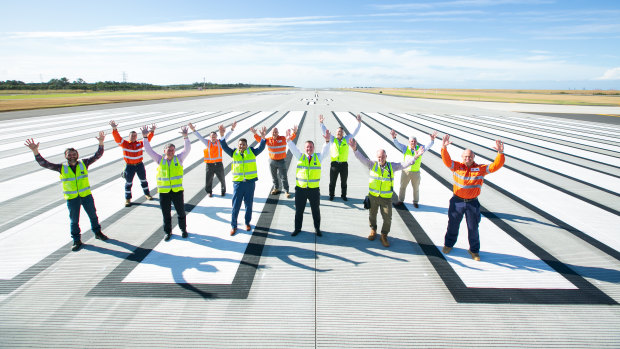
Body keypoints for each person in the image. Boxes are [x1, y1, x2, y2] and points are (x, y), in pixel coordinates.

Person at [25, 132, 109, 251]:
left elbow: (97, 155)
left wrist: (101, 142)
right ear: (65, 156)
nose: (72, 156)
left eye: (74, 154)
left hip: (86, 196)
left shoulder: (83, 164)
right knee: (74, 220)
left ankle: (97, 233)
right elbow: (44, 164)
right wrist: (35, 151)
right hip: (72, 199)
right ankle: (76, 240)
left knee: (93, 215)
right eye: (69, 155)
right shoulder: (62, 168)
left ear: (77, 155)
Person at [348, 139, 425, 247]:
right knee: (372, 215)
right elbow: (361, 159)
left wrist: (415, 157)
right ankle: (373, 230)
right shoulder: (372, 164)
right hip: (373, 197)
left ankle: (384, 235)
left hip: (386, 199)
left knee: (387, 218)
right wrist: (355, 149)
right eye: (379, 157)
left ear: (386, 157)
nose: (381, 159)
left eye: (383, 157)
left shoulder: (391, 166)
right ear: (377, 157)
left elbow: (404, 164)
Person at [440, 135, 505, 261]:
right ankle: (448, 244)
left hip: (472, 204)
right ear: (462, 157)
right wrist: (444, 148)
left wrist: (500, 153)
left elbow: (496, 166)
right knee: (452, 225)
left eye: (470, 157)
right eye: (465, 157)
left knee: (473, 228)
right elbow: (447, 160)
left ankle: (474, 250)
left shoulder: (480, 169)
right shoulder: (457, 167)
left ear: (473, 157)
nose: (467, 158)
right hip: (457, 201)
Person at [142, 125, 192, 241]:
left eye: (172, 150)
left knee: (181, 212)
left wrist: (185, 137)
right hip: (164, 192)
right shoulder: (160, 160)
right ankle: (168, 232)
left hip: (177, 191)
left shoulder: (178, 159)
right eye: (168, 150)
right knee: (166, 214)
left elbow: (187, 149)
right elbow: (148, 150)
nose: (170, 152)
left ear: (175, 151)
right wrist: (145, 137)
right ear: (164, 151)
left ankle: (183, 230)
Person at [220, 125, 267, 236]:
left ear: (246, 145)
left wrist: (263, 137)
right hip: (238, 184)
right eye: (240, 144)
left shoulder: (251, 152)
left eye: (243, 145)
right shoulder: (234, 153)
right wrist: (222, 136)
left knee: (248, 205)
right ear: (238, 145)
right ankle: (233, 226)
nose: (241, 146)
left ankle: (247, 223)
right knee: (235, 206)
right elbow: (224, 146)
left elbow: (261, 148)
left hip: (250, 183)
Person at [286, 128, 332, 237]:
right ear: (304, 148)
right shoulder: (300, 156)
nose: (309, 148)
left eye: (311, 147)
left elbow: (325, 151)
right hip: (300, 190)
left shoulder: (318, 157)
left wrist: (327, 141)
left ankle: (317, 229)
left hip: (313, 190)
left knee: (315, 211)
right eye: (307, 147)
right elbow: (293, 149)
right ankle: (297, 229)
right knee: (299, 211)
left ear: (313, 148)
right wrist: (288, 140)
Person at [110, 120, 155, 207]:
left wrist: (152, 131)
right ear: (129, 136)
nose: (134, 137)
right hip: (129, 167)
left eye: (135, 136)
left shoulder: (140, 143)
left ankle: (147, 194)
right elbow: (117, 138)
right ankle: (127, 199)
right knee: (128, 183)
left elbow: (147, 139)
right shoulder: (125, 144)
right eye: (132, 136)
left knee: (144, 180)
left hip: (139, 165)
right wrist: (114, 128)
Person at [390, 130, 438, 208]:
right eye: (412, 141)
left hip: (416, 172)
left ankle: (415, 202)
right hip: (406, 171)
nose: (413, 142)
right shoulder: (405, 148)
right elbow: (397, 144)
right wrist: (394, 138)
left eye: (415, 141)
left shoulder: (420, 149)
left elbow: (428, 146)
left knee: (416, 188)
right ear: (409, 142)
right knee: (402, 187)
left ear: (416, 142)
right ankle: (400, 201)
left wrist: (432, 140)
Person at [319, 113, 361, 201]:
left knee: (344, 181)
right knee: (332, 181)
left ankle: (343, 195)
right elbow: (325, 132)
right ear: (336, 133)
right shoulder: (332, 139)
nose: (339, 133)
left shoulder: (347, 139)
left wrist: (359, 123)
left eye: (341, 132)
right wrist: (321, 123)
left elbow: (355, 132)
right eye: (338, 132)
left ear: (343, 133)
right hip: (334, 164)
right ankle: (331, 194)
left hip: (344, 165)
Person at [190, 121, 236, 198]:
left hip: (218, 164)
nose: (213, 137)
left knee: (222, 178)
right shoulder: (207, 142)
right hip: (209, 164)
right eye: (212, 136)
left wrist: (232, 129)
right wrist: (194, 130)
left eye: (215, 136)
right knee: (208, 179)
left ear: (217, 136)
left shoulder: (220, 142)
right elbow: (200, 137)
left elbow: (227, 136)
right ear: (209, 137)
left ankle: (223, 190)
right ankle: (209, 191)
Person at [254, 124, 297, 198]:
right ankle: (276, 188)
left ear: (278, 132)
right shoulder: (268, 140)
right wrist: (255, 134)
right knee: (274, 176)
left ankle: (286, 191)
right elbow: (260, 140)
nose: (275, 133)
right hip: (272, 161)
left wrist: (295, 132)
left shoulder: (283, 138)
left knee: (284, 177)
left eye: (276, 132)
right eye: (273, 132)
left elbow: (290, 138)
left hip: (281, 161)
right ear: (271, 133)